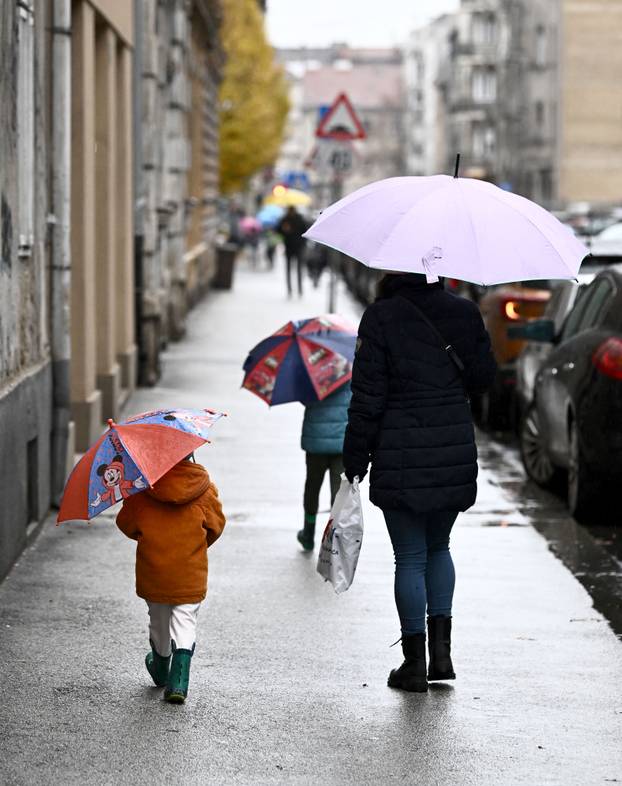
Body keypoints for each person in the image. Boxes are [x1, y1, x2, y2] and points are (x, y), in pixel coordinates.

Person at [342, 272, 496, 693]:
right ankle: (442, 655)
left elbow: (367, 397)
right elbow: (484, 378)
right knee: (439, 547)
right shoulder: (465, 312)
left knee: (409, 556)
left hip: (400, 450)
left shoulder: (381, 317)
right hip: (451, 447)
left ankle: (414, 664)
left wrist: (354, 458)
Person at [116, 455, 226, 704]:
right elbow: (216, 526)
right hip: (189, 572)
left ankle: (160, 669)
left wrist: (148, 537)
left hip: (154, 571)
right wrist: (196, 546)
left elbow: (126, 524)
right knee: (185, 620)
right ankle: (179, 682)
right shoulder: (204, 489)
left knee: (159, 620)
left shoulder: (141, 489)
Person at [297, 383, 352, 551]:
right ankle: (334, 539)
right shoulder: (348, 373)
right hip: (341, 441)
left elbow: (303, 399)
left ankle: (308, 533)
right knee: (338, 492)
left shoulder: (310, 376)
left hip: (316, 442)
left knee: (312, 487)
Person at [276, 206, 308, 297]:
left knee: (299, 269)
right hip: (289, 247)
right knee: (288, 269)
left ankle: (300, 289)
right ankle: (289, 289)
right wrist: (283, 229)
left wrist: (302, 243)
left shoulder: (300, 219)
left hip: (298, 247)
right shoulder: (285, 219)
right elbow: (278, 230)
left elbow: (305, 231)